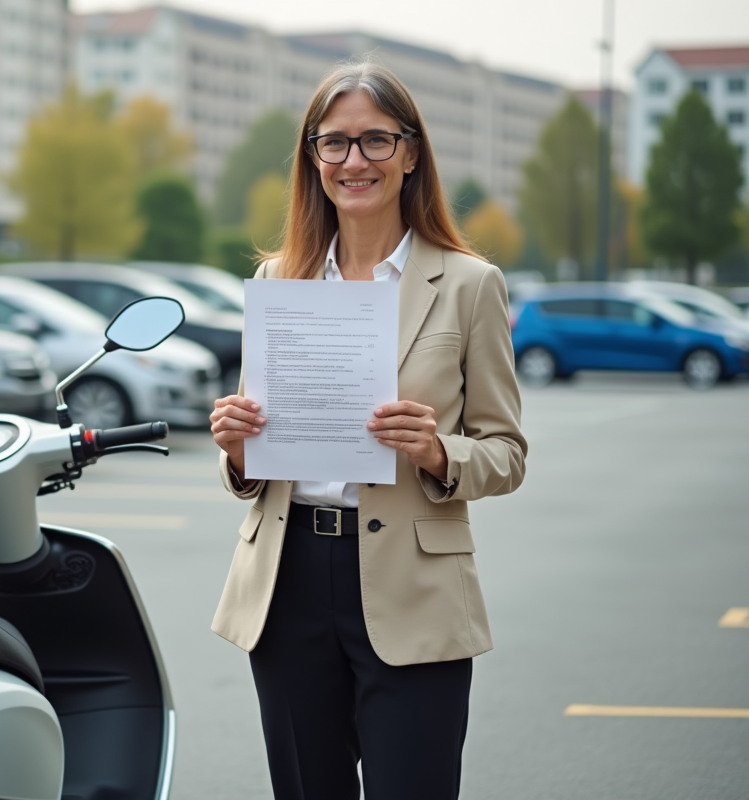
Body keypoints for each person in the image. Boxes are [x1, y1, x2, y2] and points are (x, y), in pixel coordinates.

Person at [208, 60, 527, 800]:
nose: (355, 160)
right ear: (313, 157)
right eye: (335, 142)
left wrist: (439, 450)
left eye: (376, 140)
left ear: (411, 153)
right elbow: (253, 463)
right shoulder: (277, 282)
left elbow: (507, 453)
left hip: (413, 583)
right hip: (287, 579)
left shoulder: (470, 284)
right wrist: (237, 448)